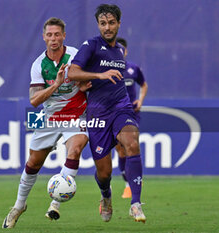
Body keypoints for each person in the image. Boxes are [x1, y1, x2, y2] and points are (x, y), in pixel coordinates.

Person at [2, 17, 89, 229]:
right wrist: (57, 84)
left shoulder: (76, 56)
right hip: (49, 117)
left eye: (57, 34)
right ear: (44, 37)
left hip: (76, 115)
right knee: (33, 163)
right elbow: (34, 100)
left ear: (64, 36)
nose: (53, 39)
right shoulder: (38, 65)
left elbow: (88, 80)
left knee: (75, 150)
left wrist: (87, 84)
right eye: (49, 35)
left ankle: (55, 203)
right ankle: (19, 205)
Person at [68, 4, 146, 223]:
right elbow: (72, 72)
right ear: (98, 25)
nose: (107, 27)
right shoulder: (91, 45)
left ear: (119, 24)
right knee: (104, 173)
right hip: (97, 115)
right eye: (103, 23)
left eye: (111, 22)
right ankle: (106, 195)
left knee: (131, 142)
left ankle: (136, 203)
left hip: (121, 108)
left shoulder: (119, 51)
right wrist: (99, 76)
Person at [115, 37, 148, 199]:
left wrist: (140, 100)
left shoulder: (133, 69)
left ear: (126, 51)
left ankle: (131, 184)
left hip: (132, 113)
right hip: (114, 114)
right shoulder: (109, 70)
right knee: (120, 149)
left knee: (131, 145)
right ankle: (128, 183)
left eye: (122, 49)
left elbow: (144, 84)